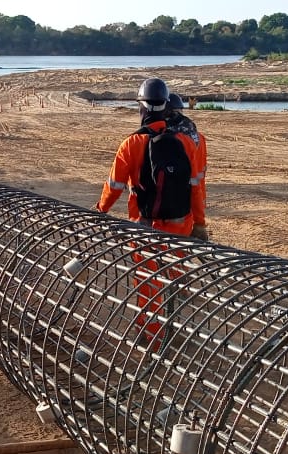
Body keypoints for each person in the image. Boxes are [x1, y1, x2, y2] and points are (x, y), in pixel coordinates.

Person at [95, 78, 206, 347]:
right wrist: (200, 224)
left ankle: (154, 338)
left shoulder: (131, 144)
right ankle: (175, 328)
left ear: (141, 106)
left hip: (144, 227)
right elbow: (197, 187)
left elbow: (114, 186)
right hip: (181, 224)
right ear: (168, 105)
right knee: (176, 275)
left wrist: (101, 211)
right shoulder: (187, 142)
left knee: (148, 281)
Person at [166, 91, 209, 241]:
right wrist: (200, 221)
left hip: (168, 211)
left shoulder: (167, 140)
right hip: (192, 208)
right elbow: (197, 182)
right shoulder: (200, 139)